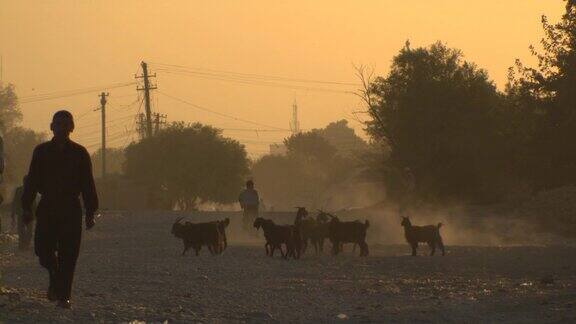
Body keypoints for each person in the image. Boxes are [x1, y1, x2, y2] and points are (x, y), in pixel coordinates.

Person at [22, 110, 98, 309]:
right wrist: (26, 207)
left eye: (66, 125)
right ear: (51, 127)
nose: (61, 128)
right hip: (47, 207)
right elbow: (32, 181)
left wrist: (90, 212)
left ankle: (64, 296)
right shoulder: (41, 151)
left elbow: (88, 184)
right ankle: (54, 275)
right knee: (42, 250)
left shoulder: (80, 153)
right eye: (58, 124)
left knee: (69, 254)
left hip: (71, 208)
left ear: (71, 128)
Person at [11, 175, 36, 250]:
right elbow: (15, 202)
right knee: (23, 230)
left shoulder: (29, 190)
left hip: (27, 212)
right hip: (23, 212)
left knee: (28, 230)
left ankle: (25, 244)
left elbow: (34, 203)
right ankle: (23, 244)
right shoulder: (20, 190)